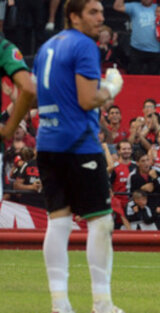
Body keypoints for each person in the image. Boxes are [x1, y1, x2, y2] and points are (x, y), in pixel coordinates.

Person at [33, 1, 125, 312]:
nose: (101, 18)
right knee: (100, 223)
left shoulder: (47, 46)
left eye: (101, 12)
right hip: (79, 144)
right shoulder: (84, 45)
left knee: (58, 224)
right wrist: (110, 88)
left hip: (47, 142)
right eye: (93, 12)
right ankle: (102, 303)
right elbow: (88, 100)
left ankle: (60, 304)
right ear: (74, 16)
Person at [113, 0, 160, 75]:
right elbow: (117, 6)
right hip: (137, 49)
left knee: (153, 80)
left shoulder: (158, 8)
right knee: (135, 78)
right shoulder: (134, 6)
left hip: (155, 49)